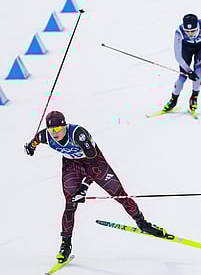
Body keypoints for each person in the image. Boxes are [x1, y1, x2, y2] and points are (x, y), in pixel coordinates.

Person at [24, 110, 166, 263]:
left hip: (94, 162)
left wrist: (84, 188)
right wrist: (30, 147)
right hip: (72, 165)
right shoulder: (44, 135)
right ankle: (65, 244)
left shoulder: (79, 135)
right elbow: (35, 140)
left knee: (119, 194)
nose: (55, 133)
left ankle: (142, 223)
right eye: (52, 130)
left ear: (65, 126)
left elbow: (94, 167)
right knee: (70, 202)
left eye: (58, 129)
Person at [162, 13, 201, 113]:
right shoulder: (179, 32)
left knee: (198, 75)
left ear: (197, 27)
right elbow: (178, 56)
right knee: (182, 78)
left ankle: (194, 98)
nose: (190, 34)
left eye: (193, 31)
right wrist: (188, 71)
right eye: (187, 32)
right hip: (186, 49)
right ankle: (173, 100)